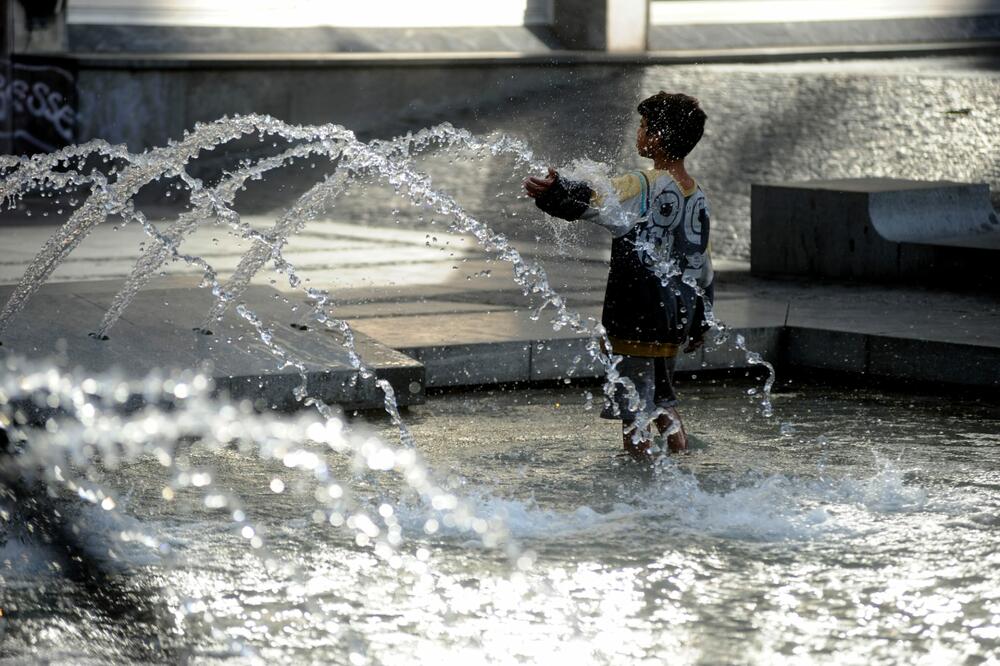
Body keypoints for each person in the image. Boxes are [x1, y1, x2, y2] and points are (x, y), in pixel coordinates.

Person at [524, 91, 713, 461]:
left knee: (634, 413)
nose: (638, 133)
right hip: (675, 317)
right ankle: (681, 465)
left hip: (635, 317)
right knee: (662, 401)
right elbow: (703, 265)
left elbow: (596, 199)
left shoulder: (642, 184)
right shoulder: (697, 195)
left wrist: (554, 189)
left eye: (643, 126)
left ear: (656, 136)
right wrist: (701, 320)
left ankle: (640, 477)